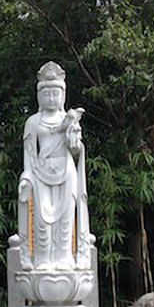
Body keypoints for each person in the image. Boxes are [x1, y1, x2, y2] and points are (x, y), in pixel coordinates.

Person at [17, 61, 91, 270]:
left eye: (55, 93)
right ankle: (43, 260)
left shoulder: (69, 120)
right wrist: (26, 178)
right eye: (47, 94)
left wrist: (74, 140)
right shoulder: (33, 122)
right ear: (39, 96)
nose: (51, 98)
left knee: (66, 218)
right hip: (41, 172)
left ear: (63, 95)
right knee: (42, 219)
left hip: (66, 170)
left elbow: (75, 151)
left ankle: (64, 258)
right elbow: (29, 155)